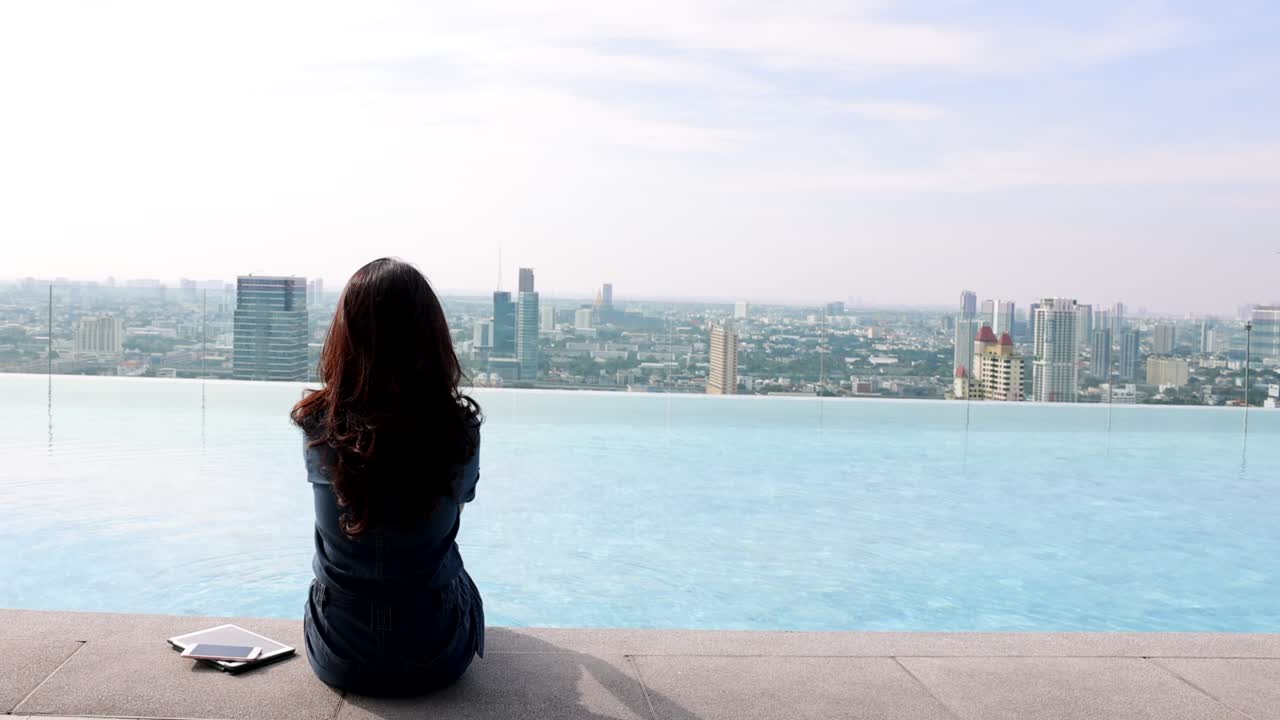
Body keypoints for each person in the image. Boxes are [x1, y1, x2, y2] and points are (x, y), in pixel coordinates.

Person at [291, 257, 484, 695]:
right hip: (435, 655)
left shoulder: (318, 423)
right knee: (455, 571)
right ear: (432, 337)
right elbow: (463, 496)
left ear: (346, 335)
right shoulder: (457, 429)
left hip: (338, 653)